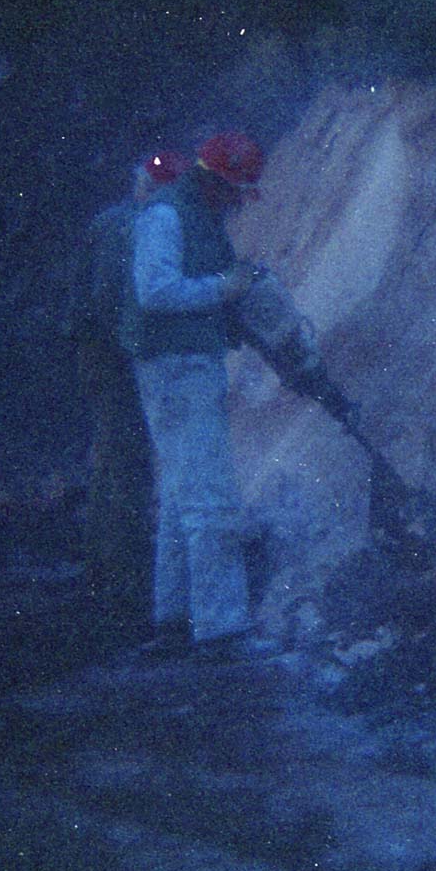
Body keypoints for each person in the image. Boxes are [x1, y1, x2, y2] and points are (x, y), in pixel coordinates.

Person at [126, 133, 270, 660]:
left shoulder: (197, 214)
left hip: (181, 363)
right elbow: (155, 290)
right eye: (235, 190)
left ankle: (173, 619)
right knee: (211, 497)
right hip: (176, 366)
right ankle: (221, 628)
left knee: (181, 494)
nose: (238, 201)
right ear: (215, 180)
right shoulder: (167, 216)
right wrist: (222, 289)